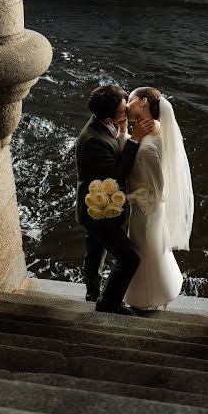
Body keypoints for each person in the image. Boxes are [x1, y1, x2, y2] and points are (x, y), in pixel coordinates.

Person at [75, 84, 154, 316]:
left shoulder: (105, 124)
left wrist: (123, 130)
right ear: (109, 117)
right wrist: (135, 138)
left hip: (98, 206)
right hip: (97, 211)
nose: (127, 111)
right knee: (130, 258)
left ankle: (92, 295)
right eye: (123, 111)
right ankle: (107, 302)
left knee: (95, 251)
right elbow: (117, 173)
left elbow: (114, 148)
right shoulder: (92, 140)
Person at [123, 87, 194, 310]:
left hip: (146, 209)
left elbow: (155, 189)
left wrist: (126, 197)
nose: (126, 104)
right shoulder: (156, 126)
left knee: (143, 250)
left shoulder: (147, 149)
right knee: (150, 251)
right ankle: (159, 287)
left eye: (130, 100)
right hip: (147, 206)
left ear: (143, 102)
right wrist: (127, 131)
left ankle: (147, 297)